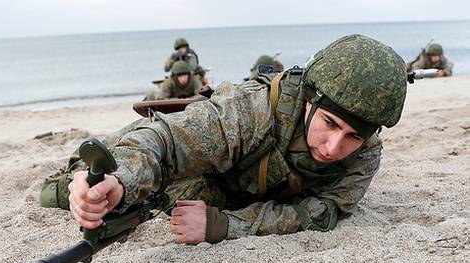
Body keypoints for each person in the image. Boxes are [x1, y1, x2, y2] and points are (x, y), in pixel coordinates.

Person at [41, 34, 408, 245]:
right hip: (210, 157)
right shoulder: (253, 110)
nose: (333, 148)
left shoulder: (365, 155)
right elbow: (167, 141)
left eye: (352, 136)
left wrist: (225, 226)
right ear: (310, 99)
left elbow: (322, 211)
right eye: (329, 123)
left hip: (232, 194)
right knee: (61, 194)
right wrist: (120, 179)